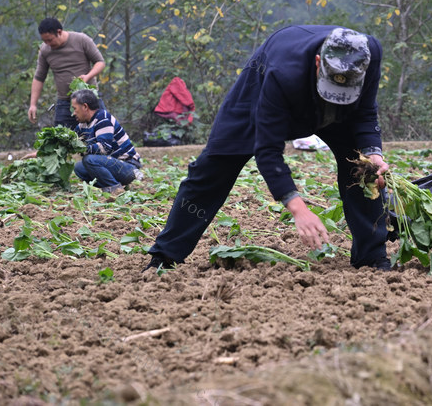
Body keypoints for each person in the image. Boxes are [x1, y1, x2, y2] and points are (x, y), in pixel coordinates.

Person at [145, 25, 392, 271]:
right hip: (267, 92)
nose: (333, 97)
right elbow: (267, 148)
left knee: (363, 169)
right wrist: (298, 208)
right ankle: (165, 256)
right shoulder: (283, 73)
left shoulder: (369, 54)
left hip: (341, 112)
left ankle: (371, 257)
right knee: (214, 167)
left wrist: (374, 153)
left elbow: (365, 112)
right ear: (318, 62)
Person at [28, 18, 105, 130]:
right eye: (45, 41)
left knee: (100, 130)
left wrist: (88, 76)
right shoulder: (45, 50)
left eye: (50, 40)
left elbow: (100, 62)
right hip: (65, 102)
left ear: (59, 32)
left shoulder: (81, 40)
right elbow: (39, 78)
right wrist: (33, 104)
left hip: (90, 98)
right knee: (62, 136)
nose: (48, 44)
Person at [71, 89, 142, 194]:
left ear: (85, 107)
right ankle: (109, 185)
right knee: (79, 168)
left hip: (127, 166)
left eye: (75, 109)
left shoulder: (103, 119)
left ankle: (115, 187)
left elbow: (103, 148)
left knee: (89, 160)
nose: (73, 113)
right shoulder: (83, 124)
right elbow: (71, 138)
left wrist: (81, 148)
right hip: (111, 165)